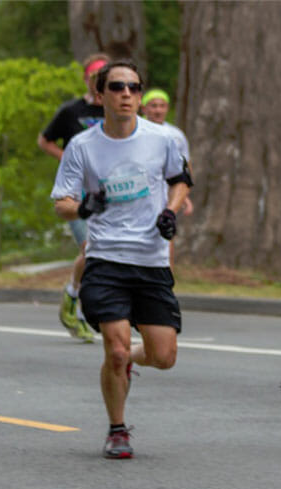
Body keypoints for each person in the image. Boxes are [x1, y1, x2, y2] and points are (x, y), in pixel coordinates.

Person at [51, 60, 192, 459]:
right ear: (100, 96)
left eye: (134, 87)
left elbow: (180, 179)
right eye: (117, 87)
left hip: (151, 259)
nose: (127, 94)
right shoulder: (82, 146)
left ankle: (125, 360)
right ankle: (117, 428)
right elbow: (61, 202)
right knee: (113, 348)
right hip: (106, 258)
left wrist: (170, 211)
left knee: (164, 356)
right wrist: (82, 207)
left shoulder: (161, 139)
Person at [38, 53, 110, 343]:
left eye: (105, 77)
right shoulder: (70, 111)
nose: (99, 83)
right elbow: (44, 141)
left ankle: (75, 298)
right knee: (90, 247)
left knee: (100, 248)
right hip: (76, 191)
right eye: (94, 77)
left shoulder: (119, 109)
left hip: (107, 189)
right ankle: (76, 305)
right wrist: (67, 158)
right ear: (86, 79)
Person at [140, 88, 194, 218]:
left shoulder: (176, 135)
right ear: (144, 108)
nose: (158, 110)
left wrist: (184, 196)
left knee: (166, 231)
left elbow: (186, 166)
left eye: (162, 106)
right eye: (153, 106)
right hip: (140, 194)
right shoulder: (135, 131)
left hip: (166, 195)